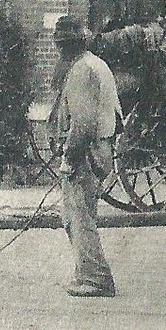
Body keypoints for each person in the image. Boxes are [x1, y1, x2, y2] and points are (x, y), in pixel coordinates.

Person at [51, 15, 123, 298]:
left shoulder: (82, 70)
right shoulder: (98, 64)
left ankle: (96, 278)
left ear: (65, 47)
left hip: (86, 154)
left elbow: (82, 124)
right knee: (79, 215)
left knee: (78, 217)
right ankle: (86, 272)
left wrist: (68, 158)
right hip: (100, 150)